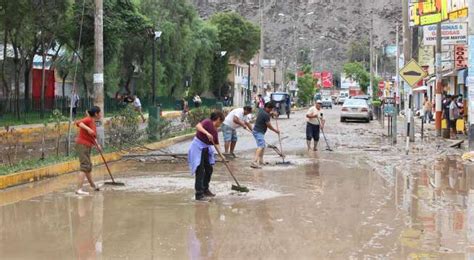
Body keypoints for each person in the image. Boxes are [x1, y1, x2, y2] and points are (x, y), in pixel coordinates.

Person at [188, 111, 225, 201]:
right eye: (221, 122)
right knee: (200, 171)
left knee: (209, 169)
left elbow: (216, 144)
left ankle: (205, 189)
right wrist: (207, 133)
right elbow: (198, 126)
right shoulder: (207, 122)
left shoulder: (215, 131)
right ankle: (199, 194)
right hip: (197, 148)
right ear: (218, 119)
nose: (220, 125)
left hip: (205, 149)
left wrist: (221, 155)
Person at [75, 106, 102, 195]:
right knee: (84, 166)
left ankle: (93, 186)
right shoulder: (89, 119)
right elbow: (79, 123)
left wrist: (97, 144)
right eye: (100, 113)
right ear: (96, 114)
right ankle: (79, 189)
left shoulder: (93, 121)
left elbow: (93, 136)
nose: (101, 114)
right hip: (83, 145)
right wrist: (88, 129)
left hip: (87, 145)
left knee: (88, 167)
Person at [251, 102, 280, 169]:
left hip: (257, 131)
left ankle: (260, 161)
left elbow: (267, 114)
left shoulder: (261, 110)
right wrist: (276, 131)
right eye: (270, 109)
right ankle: (254, 162)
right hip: (258, 132)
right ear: (267, 108)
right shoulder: (266, 115)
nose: (271, 110)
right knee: (261, 146)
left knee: (262, 146)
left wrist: (272, 113)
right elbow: (269, 126)